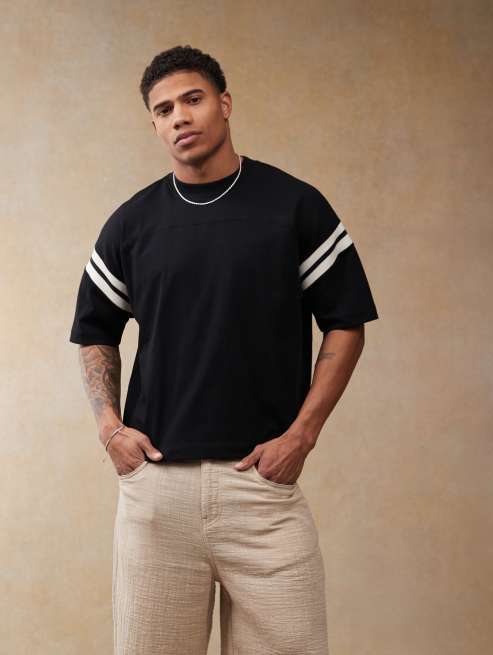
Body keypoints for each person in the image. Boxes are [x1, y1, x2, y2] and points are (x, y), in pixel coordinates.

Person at [69, 44, 379, 655]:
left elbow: (346, 323)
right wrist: (109, 428)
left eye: (193, 99)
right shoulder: (132, 224)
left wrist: (302, 435)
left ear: (225, 104)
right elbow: (95, 329)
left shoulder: (294, 206)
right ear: (154, 125)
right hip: (157, 493)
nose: (180, 117)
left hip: (261, 491)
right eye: (163, 110)